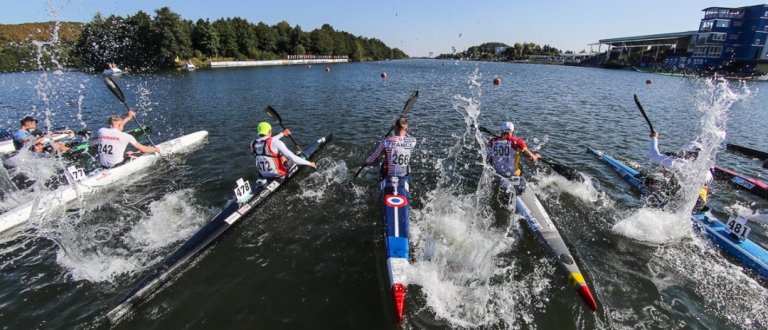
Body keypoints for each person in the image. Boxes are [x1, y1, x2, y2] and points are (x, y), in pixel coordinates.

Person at [649, 131, 712, 213]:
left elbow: (654, 156)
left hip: (683, 202)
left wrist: (654, 138)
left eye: (684, 153)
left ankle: (660, 202)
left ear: (687, 153)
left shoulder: (682, 164)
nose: (682, 156)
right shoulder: (707, 170)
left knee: (649, 181)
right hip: (699, 203)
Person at [250, 122, 315, 178]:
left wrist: (282, 134)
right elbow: (293, 158)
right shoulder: (277, 143)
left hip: (263, 175)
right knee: (289, 159)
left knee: (277, 155)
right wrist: (309, 163)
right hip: (278, 174)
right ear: (270, 131)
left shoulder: (253, 143)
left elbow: (266, 140)